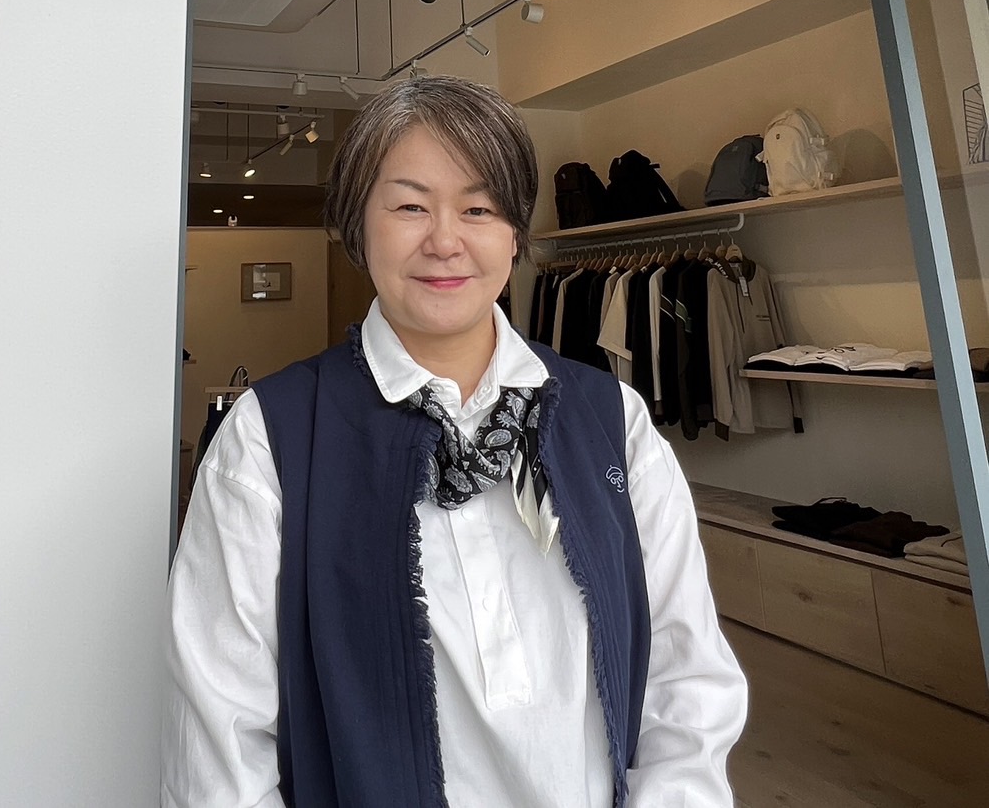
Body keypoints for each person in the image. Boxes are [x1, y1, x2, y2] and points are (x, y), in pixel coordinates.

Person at [162, 76, 747, 807]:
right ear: (357, 226)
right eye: (410, 206)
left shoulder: (611, 421)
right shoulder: (270, 439)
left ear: (514, 234)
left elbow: (686, 678)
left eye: (479, 208)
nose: (445, 240)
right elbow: (219, 748)